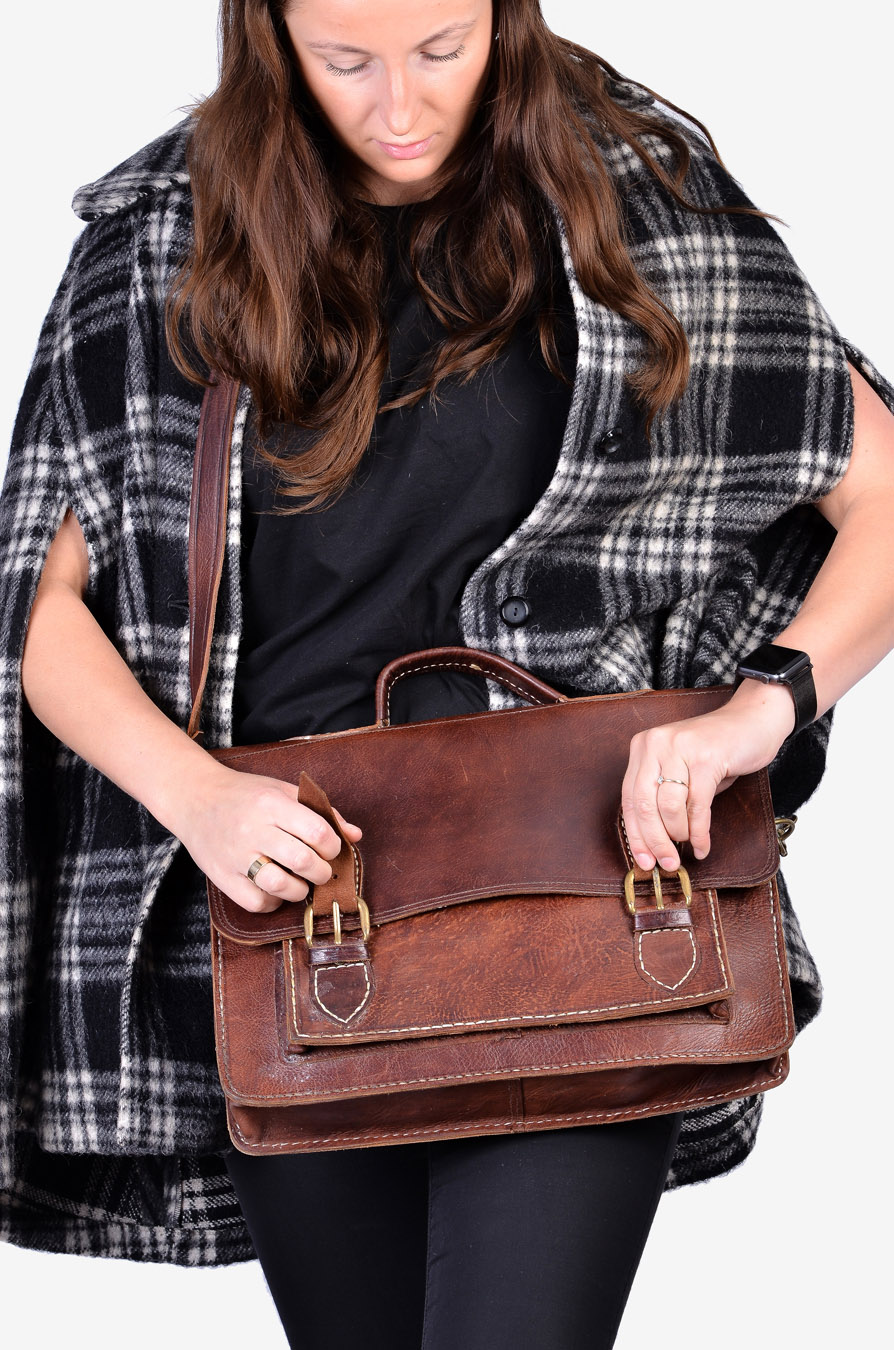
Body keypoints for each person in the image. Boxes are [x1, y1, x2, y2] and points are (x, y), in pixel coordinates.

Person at [2, 1, 893, 1346]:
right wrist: (197, 797)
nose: (401, 105)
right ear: (270, 37)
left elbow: (879, 491)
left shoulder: (628, 201)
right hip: (300, 909)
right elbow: (39, 604)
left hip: (583, 886)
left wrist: (758, 708)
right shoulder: (166, 242)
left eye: (442, 48)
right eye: (345, 60)